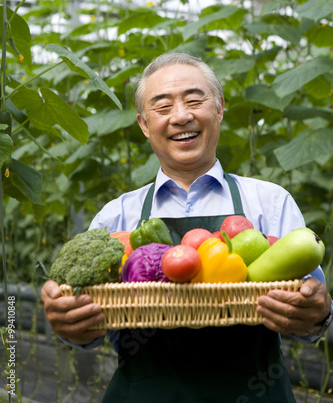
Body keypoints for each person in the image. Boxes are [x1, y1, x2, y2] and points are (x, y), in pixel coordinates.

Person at [41, 53, 332, 403]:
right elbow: (90, 330)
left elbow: (312, 314)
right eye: (162, 108)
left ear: (220, 108)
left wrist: (319, 313)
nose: (181, 116)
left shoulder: (270, 202)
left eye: (195, 101)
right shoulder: (116, 216)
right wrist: (71, 323)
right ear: (145, 124)